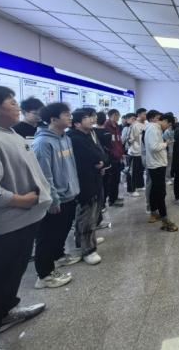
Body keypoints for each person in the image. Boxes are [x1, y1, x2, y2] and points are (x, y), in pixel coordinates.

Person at [0, 86, 51, 350]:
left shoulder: (9, 133)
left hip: (24, 220)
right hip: (4, 225)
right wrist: (22, 200)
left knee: (13, 274)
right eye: (12, 103)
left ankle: (6, 311)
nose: (18, 108)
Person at [33, 102, 80, 289]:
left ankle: (58, 256)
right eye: (66, 114)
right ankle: (44, 275)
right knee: (48, 236)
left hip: (69, 194)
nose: (70, 117)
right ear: (53, 119)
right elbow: (44, 175)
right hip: (55, 198)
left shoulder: (65, 138)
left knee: (62, 231)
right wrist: (53, 199)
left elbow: (71, 167)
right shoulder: (43, 143)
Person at [67, 109, 106, 265]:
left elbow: (101, 155)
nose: (91, 119)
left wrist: (102, 162)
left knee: (92, 214)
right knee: (86, 216)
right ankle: (87, 250)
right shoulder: (74, 138)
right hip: (84, 182)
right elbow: (94, 156)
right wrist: (99, 161)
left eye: (91, 116)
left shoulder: (88, 135)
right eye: (86, 117)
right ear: (77, 123)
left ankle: (87, 241)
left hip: (94, 179)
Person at [145, 112, 178, 232]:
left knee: (155, 190)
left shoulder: (155, 128)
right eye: (168, 125)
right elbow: (154, 147)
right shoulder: (154, 129)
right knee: (160, 192)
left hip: (157, 163)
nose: (167, 127)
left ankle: (154, 213)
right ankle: (165, 220)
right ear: (164, 121)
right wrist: (165, 144)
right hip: (156, 165)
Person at [103, 109, 124, 208]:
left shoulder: (116, 126)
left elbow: (118, 141)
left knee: (116, 179)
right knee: (112, 180)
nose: (118, 117)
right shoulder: (106, 126)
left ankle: (115, 197)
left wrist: (121, 153)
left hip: (118, 156)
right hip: (111, 157)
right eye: (116, 115)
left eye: (118, 115)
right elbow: (108, 144)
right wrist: (113, 153)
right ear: (110, 115)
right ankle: (111, 200)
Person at [142, 110, 162, 215]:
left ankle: (154, 205)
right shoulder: (149, 130)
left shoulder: (153, 128)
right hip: (149, 161)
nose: (160, 121)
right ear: (151, 119)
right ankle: (149, 206)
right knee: (150, 183)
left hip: (154, 160)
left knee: (154, 184)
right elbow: (151, 147)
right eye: (158, 118)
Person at [127, 108, 147, 195]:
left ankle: (139, 185)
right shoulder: (134, 125)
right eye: (144, 114)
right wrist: (133, 143)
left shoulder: (146, 124)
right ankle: (131, 190)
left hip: (142, 152)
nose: (145, 116)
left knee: (140, 170)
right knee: (133, 172)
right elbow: (129, 139)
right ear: (138, 115)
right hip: (134, 152)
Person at [163, 113, 176, 186]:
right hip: (169, 151)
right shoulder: (166, 131)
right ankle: (167, 179)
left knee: (171, 165)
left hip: (173, 150)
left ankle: (170, 177)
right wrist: (172, 141)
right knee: (168, 166)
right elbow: (166, 142)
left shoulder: (173, 130)